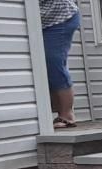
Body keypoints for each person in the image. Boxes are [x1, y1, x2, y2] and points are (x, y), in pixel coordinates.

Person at [40, 0, 80, 128]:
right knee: (49, 65)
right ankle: (60, 113)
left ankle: (67, 115)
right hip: (46, 21)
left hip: (60, 18)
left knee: (54, 63)